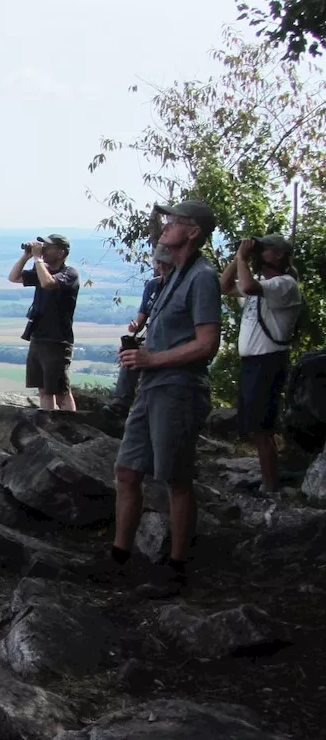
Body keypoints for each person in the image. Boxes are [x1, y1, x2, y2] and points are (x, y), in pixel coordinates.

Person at [91, 199, 222, 599]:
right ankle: (118, 557)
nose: (165, 227)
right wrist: (140, 357)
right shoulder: (175, 275)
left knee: (175, 480)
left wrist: (152, 357)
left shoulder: (202, 277)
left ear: (194, 231)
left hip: (179, 390)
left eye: (173, 222)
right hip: (151, 387)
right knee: (127, 471)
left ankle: (177, 568)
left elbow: (207, 344)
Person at [221, 233, 302, 495]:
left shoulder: (285, 285)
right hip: (253, 363)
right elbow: (224, 286)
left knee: (261, 428)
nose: (260, 253)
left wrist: (244, 258)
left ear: (279, 254)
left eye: (265, 249)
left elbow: (251, 286)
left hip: (267, 362)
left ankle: (271, 487)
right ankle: (269, 481)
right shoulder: (264, 287)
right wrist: (238, 258)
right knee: (254, 428)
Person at [8, 234, 80, 411]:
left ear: (61, 252)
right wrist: (26, 256)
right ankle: (48, 425)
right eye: (43, 246)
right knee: (44, 390)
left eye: (48, 247)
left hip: (58, 340)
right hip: (38, 336)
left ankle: (70, 429)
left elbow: (48, 283)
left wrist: (38, 259)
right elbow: (13, 277)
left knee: (61, 390)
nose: (44, 249)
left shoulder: (69, 273)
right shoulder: (42, 269)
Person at [109, 244, 175, 415]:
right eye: (158, 263)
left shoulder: (178, 285)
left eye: (165, 263)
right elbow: (143, 314)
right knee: (129, 352)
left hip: (169, 338)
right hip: (151, 334)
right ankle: (121, 402)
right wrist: (135, 326)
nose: (161, 267)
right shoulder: (153, 285)